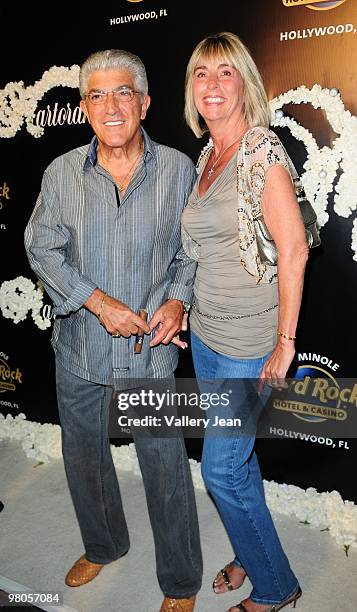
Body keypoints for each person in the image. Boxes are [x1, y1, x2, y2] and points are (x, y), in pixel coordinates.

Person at [25, 49, 202, 612]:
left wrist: (177, 301)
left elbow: (192, 252)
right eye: (96, 95)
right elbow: (41, 248)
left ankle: (180, 581)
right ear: (83, 109)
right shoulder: (59, 174)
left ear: (145, 103)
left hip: (149, 354)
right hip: (80, 349)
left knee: (165, 468)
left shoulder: (178, 169)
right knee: (83, 458)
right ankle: (104, 546)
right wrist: (97, 304)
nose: (111, 105)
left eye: (123, 91)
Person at [181, 33, 308, 612]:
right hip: (206, 337)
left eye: (224, 73)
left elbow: (294, 250)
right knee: (240, 463)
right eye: (201, 74)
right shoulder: (209, 155)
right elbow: (201, 251)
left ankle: (277, 587)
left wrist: (284, 345)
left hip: (247, 343)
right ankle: (248, 553)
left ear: (244, 85)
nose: (212, 84)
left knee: (220, 470)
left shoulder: (261, 150)